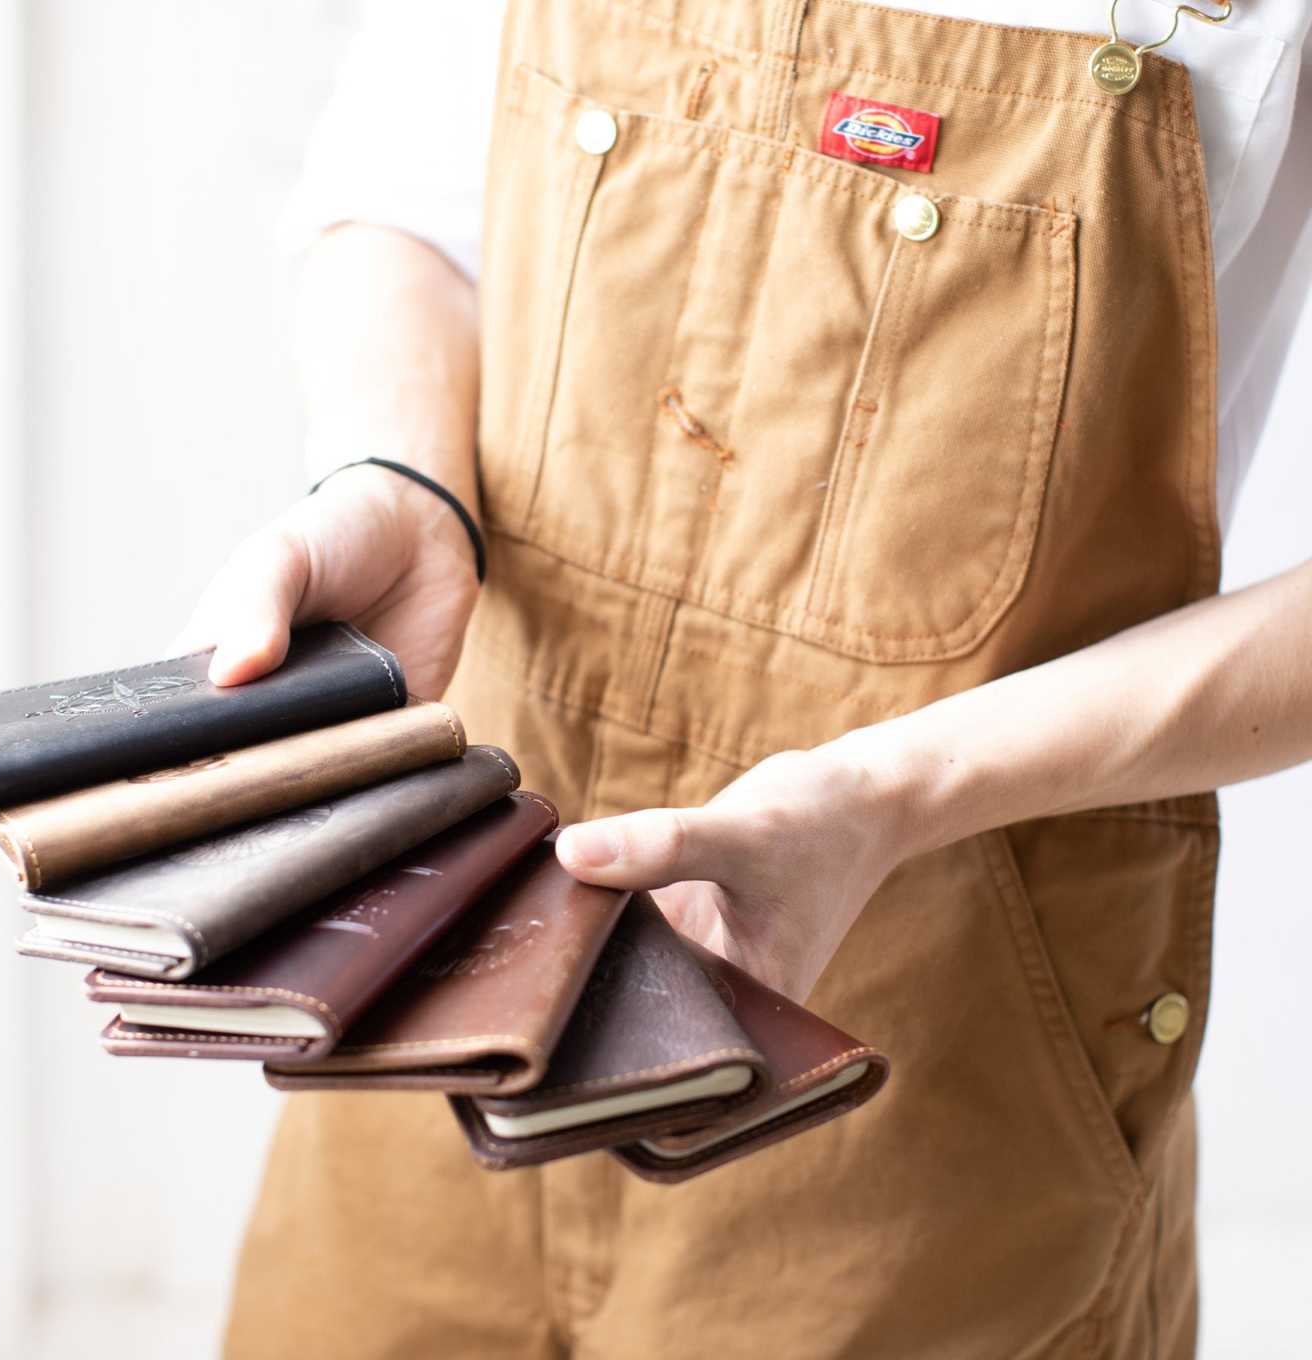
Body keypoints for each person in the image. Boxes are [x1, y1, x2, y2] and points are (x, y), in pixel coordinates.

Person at [173, 2, 1312, 1355]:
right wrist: (400, 482)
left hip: (943, 1040)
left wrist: (882, 795)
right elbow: (401, 197)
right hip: (457, 955)